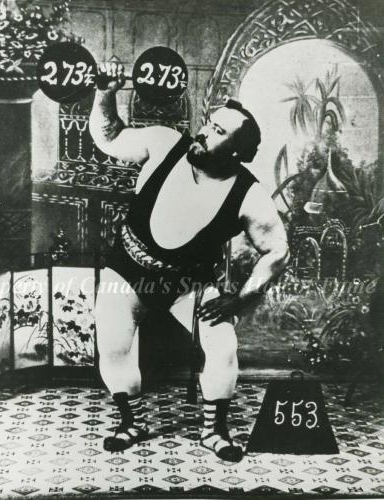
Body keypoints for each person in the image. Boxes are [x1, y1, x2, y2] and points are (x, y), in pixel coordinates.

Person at [89, 62, 290, 462]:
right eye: (208, 124)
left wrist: (241, 299)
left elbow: (278, 251)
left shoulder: (249, 195)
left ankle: (214, 432)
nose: (204, 132)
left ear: (237, 151)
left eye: (219, 132)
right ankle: (131, 422)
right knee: (111, 342)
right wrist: (104, 93)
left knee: (223, 345)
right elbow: (109, 137)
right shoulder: (165, 143)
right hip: (127, 271)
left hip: (189, 285)